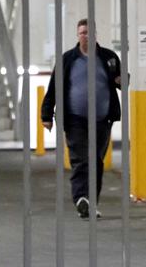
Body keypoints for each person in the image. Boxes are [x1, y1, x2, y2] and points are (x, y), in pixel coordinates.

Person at [41, 18, 123, 219]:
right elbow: (54, 88)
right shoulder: (68, 59)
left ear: (96, 34)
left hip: (102, 120)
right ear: (78, 35)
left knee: (96, 161)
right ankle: (80, 198)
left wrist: (122, 80)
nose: (86, 36)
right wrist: (46, 114)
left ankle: (90, 203)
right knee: (81, 159)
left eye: (89, 32)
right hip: (74, 119)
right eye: (82, 32)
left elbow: (120, 80)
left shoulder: (109, 57)